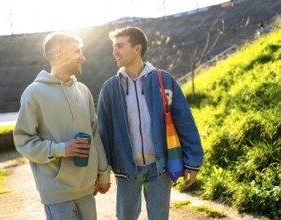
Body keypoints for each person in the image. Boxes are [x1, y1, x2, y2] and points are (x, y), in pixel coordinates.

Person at [97, 27, 204, 220]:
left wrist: (192, 161)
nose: (115, 52)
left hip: (159, 168)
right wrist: (101, 172)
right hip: (125, 171)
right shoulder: (110, 88)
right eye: (114, 47)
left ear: (137, 48)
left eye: (120, 46)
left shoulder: (164, 80)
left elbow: (184, 121)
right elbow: (103, 133)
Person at [13, 32, 111, 220]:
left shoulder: (83, 91)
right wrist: (62, 149)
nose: (83, 57)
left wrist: (104, 174)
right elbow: (23, 142)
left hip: (86, 189)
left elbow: (94, 134)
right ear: (60, 53)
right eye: (77, 52)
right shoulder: (34, 93)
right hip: (57, 193)